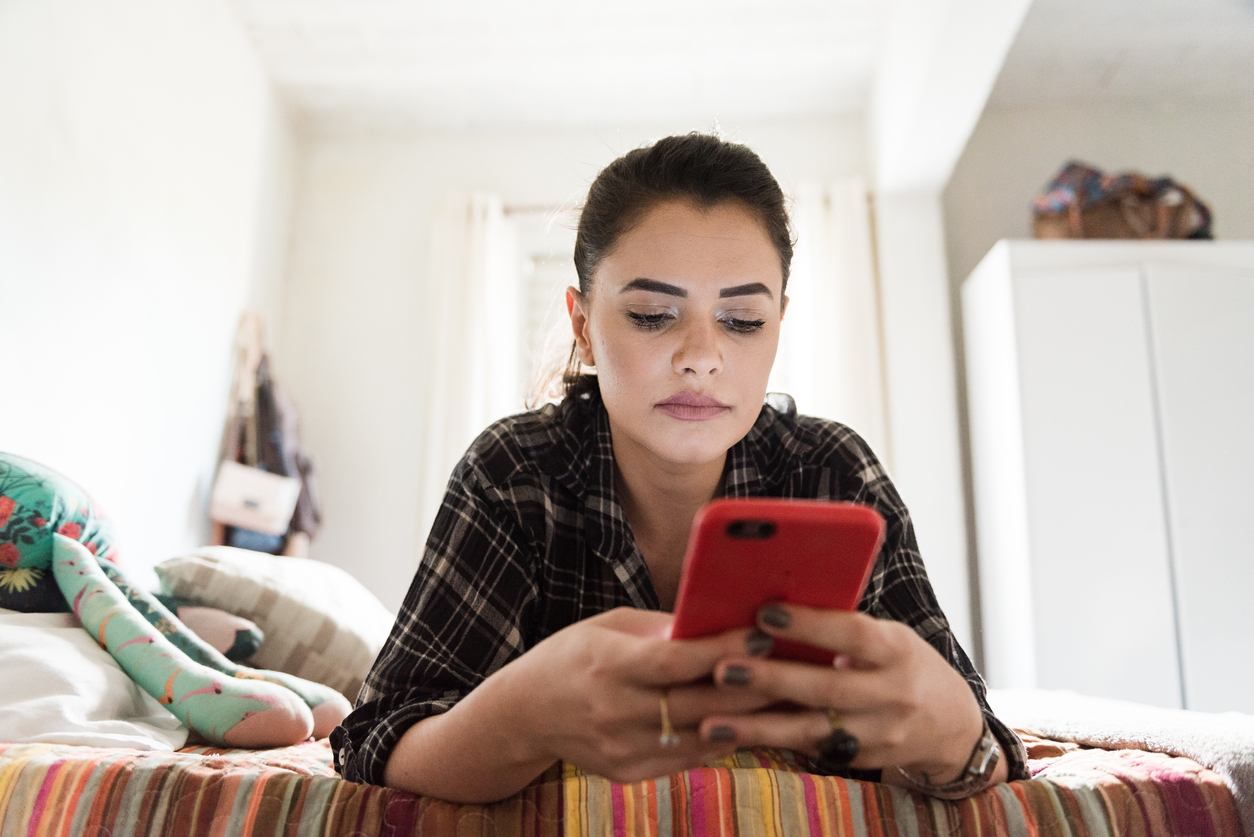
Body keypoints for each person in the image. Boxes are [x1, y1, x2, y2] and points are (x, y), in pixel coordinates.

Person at [330, 133, 1028, 802]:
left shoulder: (835, 475)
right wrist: (524, 714)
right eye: (654, 314)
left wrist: (952, 735)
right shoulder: (513, 474)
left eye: (743, 321)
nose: (701, 354)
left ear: (779, 324)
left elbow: (983, 758)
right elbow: (377, 739)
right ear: (583, 328)